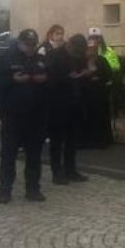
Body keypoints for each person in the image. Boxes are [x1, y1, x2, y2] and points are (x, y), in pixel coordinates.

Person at [0, 28, 49, 204]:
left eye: (33, 44)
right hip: (12, 115)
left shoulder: (41, 61)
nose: (30, 47)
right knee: (9, 154)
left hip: (36, 116)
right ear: (20, 43)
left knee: (34, 154)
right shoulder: (6, 59)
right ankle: (5, 190)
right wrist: (12, 80)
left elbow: (52, 82)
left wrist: (45, 80)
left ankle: (33, 189)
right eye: (27, 44)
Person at [46, 33, 92, 185]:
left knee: (72, 140)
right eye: (75, 52)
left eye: (79, 53)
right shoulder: (54, 55)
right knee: (57, 140)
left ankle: (71, 169)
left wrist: (86, 74)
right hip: (58, 104)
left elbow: (84, 73)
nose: (77, 55)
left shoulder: (79, 57)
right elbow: (49, 79)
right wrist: (68, 78)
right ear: (69, 45)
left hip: (76, 103)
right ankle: (57, 172)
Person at [83, 29, 115, 148]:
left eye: (94, 49)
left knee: (101, 117)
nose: (92, 51)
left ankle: (103, 139)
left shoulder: (102, 60)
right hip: (87, 94)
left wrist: (100, 79)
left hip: (100, 93)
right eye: (90, 49)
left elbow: (109, 74)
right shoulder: (82, 61)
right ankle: (90, 139)